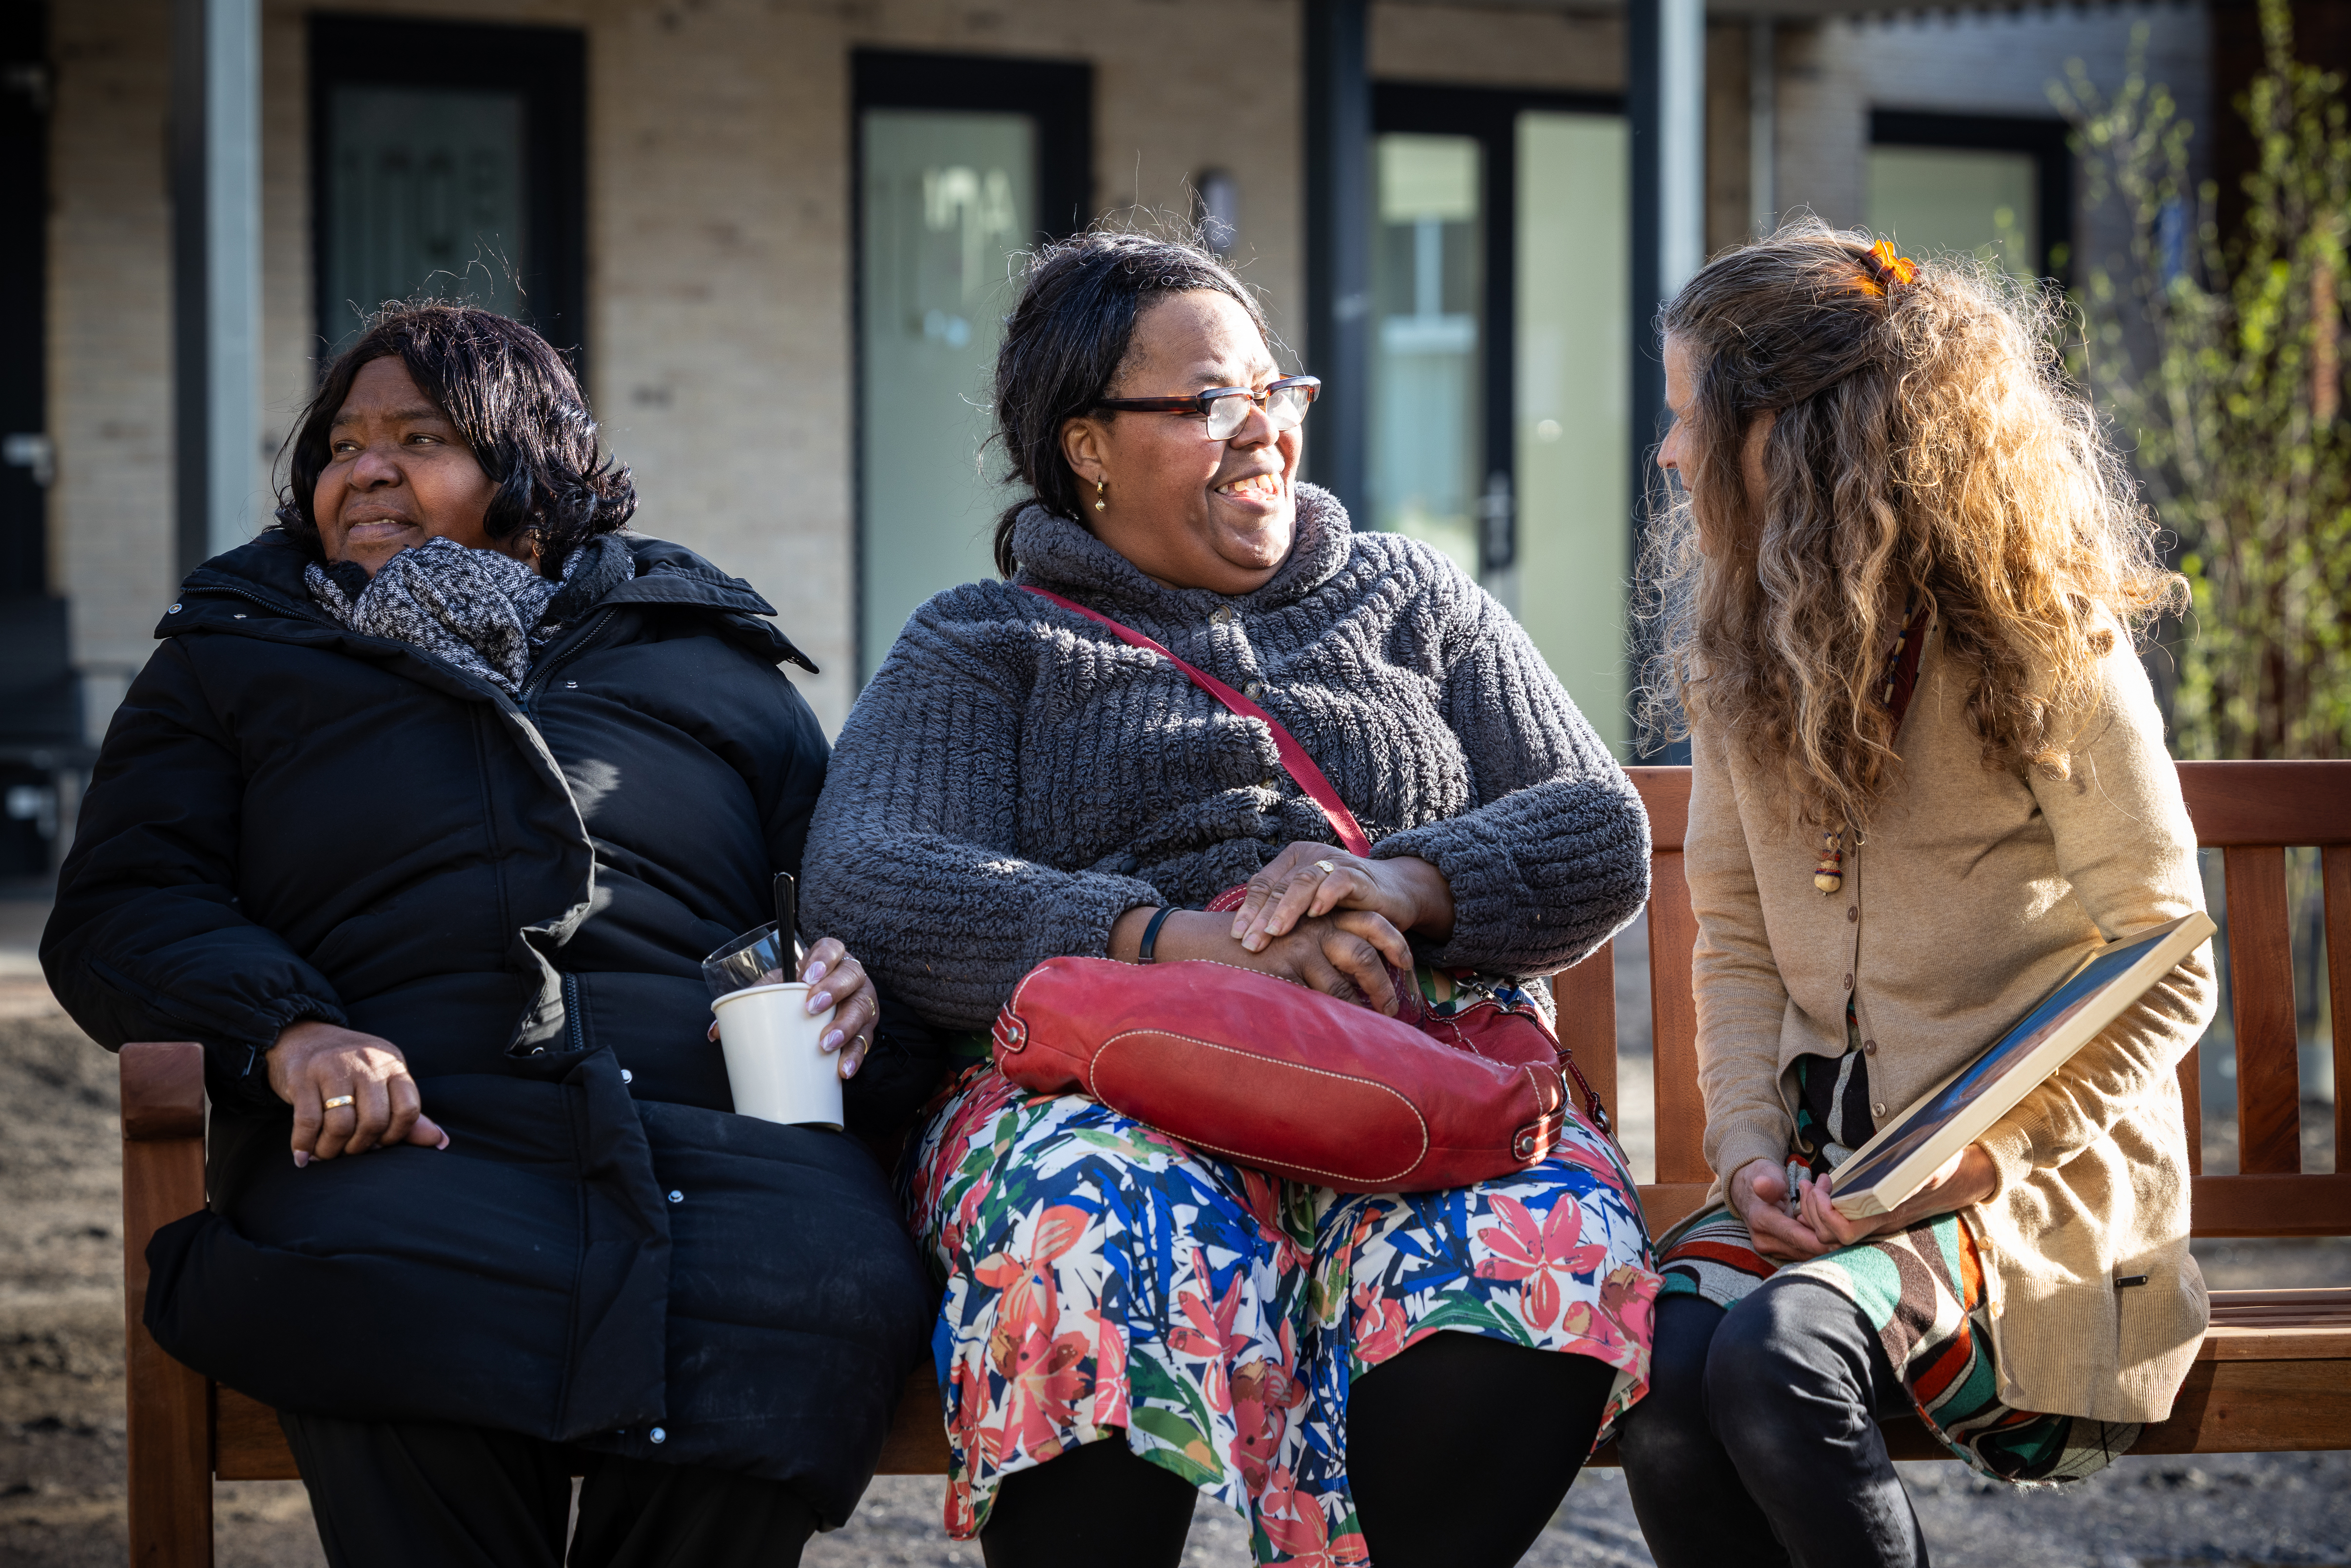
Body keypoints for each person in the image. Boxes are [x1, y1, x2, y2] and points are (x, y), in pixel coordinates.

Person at [800, 229, 1659, 1568]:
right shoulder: (985, 640)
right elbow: (878, 873)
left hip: (1412, 1077)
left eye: (1277, 392)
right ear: (1086, 445)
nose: (1264, 432)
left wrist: (1403, 880)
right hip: (1107, 1092)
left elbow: (1596, 824)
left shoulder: (1412, 594)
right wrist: (1176, 943)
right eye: (1211, 403)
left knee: (1538, 1240)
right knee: (1097, 1231)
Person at [42, 304, 936, 1568]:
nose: (362, 468)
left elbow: (839, 903)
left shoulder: (713, 660)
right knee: (391, 1284)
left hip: (721, 1140)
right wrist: (287, 1033)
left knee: (812, 1292)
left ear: (531, 471)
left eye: (417, 437)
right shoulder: (236, 655)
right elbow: (120, 906)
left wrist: (854, 987)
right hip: (399, 1129)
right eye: (342, 443)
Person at [1614, 223, 2217, 1568]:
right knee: (1659, 1374)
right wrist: (1750, 1150)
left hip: (2029, 1190)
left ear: (1796, 432)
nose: (1669, 453)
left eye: (1687, 415)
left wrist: (1978, 1155)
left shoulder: (2044, 630)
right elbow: (1738, 940)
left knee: (1777, 1360)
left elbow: (2170, 955)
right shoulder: (1738, 651)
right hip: (1828, 1185)